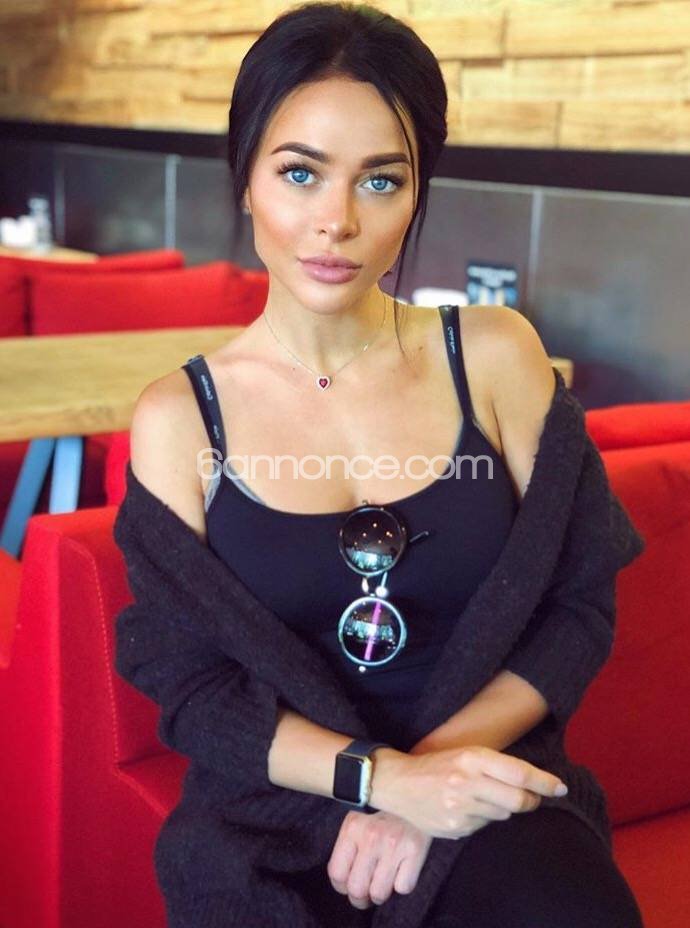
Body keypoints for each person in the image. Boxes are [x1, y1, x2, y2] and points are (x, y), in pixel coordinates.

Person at [126, 3, 645, 925]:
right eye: (299, 173)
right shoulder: (179, 419)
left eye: (381, 180)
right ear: (245, 179)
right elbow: (194, 690)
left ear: (416, 193)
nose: (336, 221)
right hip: (277, 821)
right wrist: (380, 781)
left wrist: (430, 785)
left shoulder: (495, 356)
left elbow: (577, 607)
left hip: (484, 789)